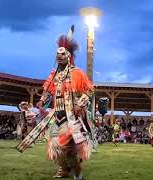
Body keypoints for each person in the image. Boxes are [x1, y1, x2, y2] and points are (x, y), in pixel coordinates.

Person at [35, 25, 93, 180]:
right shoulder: (54, 75)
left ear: (69, 56)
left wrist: (81, 102)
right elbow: (48, 91)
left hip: (72, 115)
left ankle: (77, 169)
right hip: (56, 115)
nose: (59, 56)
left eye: (63, 54)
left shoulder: (77, 73)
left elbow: (89, 91)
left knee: (67, 145)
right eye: (57, 54)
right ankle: (63, 169)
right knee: (55, 145)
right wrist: (42, 100)